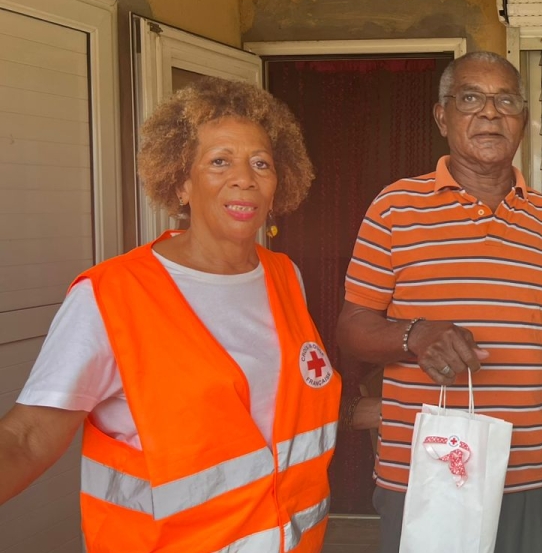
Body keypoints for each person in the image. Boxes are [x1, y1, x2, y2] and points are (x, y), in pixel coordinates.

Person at [0, 77, 340, 552]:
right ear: (181, 182)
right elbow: (28, 438)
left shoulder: (285, 276)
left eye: (260, 163)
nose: (244, 177)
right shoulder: (113, 295)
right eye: (219, 161)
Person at [336, 51, 542, 553]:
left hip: (539, 475)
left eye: (506, 101)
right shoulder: (394, 209)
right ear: (442, 116)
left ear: (523, 119)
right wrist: (414, 335)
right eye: (470, 98)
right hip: (429, 476)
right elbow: (351, 327)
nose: (490, 113)